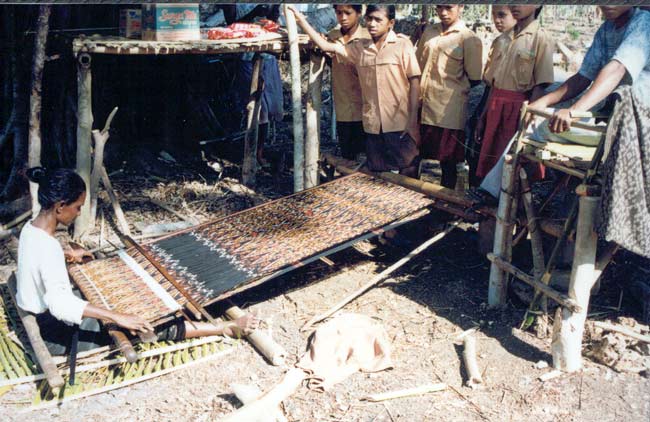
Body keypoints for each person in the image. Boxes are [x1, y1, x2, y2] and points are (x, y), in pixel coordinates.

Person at [17, 167, 259, 355]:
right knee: (143, 324)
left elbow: (41, 261)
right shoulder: (48, 247)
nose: (79, 213)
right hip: (54, 334)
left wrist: (66, 254)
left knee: (117, 299)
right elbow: (60, 304)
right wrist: (116, 316)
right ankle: (224, 328)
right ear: (60, 206)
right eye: (78, 207)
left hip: (41, 317)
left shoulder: (31, 228)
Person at [289, 4, 421, 177]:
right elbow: (326, 46)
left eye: (378, 20)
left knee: (408, 170)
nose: (372, 24)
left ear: (391, 23)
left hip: (399, 122)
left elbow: (415, 81)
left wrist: (412, 121)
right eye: (369, 19)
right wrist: (299, 19)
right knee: (377, 173)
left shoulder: (402, 45)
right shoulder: (359, 48)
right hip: (373, 124)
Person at [529, 6, 650, 132]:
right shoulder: (606, 29)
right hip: (610, 109)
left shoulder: (644, 22)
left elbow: (617, 69)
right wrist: (543, 101)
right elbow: (583, 77)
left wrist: (574, 111)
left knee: (542, 129)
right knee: (545, 102)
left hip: (637, 115)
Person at [474, 5, 554, 180]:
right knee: (490, 163)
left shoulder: (541, 38)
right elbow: (493, 86)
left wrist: (528, 121)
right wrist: (483, 116)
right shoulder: (502, 39)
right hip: (495, 108)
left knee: (513, 164)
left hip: (518, 110)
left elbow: (540, 85)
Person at [415, 4, 483, 189]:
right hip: (422, 105)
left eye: (449, 7)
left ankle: (445, 203)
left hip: (449, 111)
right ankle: (412, 198)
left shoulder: (468, 38)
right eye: (439, 7)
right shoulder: (429, 32)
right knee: (414, 156)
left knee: (448, 162)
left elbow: (475, 77)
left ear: (461, 6)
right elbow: (417, 64)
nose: (443, 12)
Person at [467, 5, 516, 186]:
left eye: (502, 15)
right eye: (494, 15)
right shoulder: (499, 41)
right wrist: (482, 115)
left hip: (509, 107)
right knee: (476, 151)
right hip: (490, 99)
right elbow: (490, 84)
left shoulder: (527, 43)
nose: (497, 20)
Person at [328, 4, 370, 160]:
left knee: (367, 158)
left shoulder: (368, 36)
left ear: (359, 13)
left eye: (348, 12)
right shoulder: (332, 36)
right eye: (339, 13)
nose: (343, 17)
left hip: (367, 108)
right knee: (348, 157)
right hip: (344, 108)